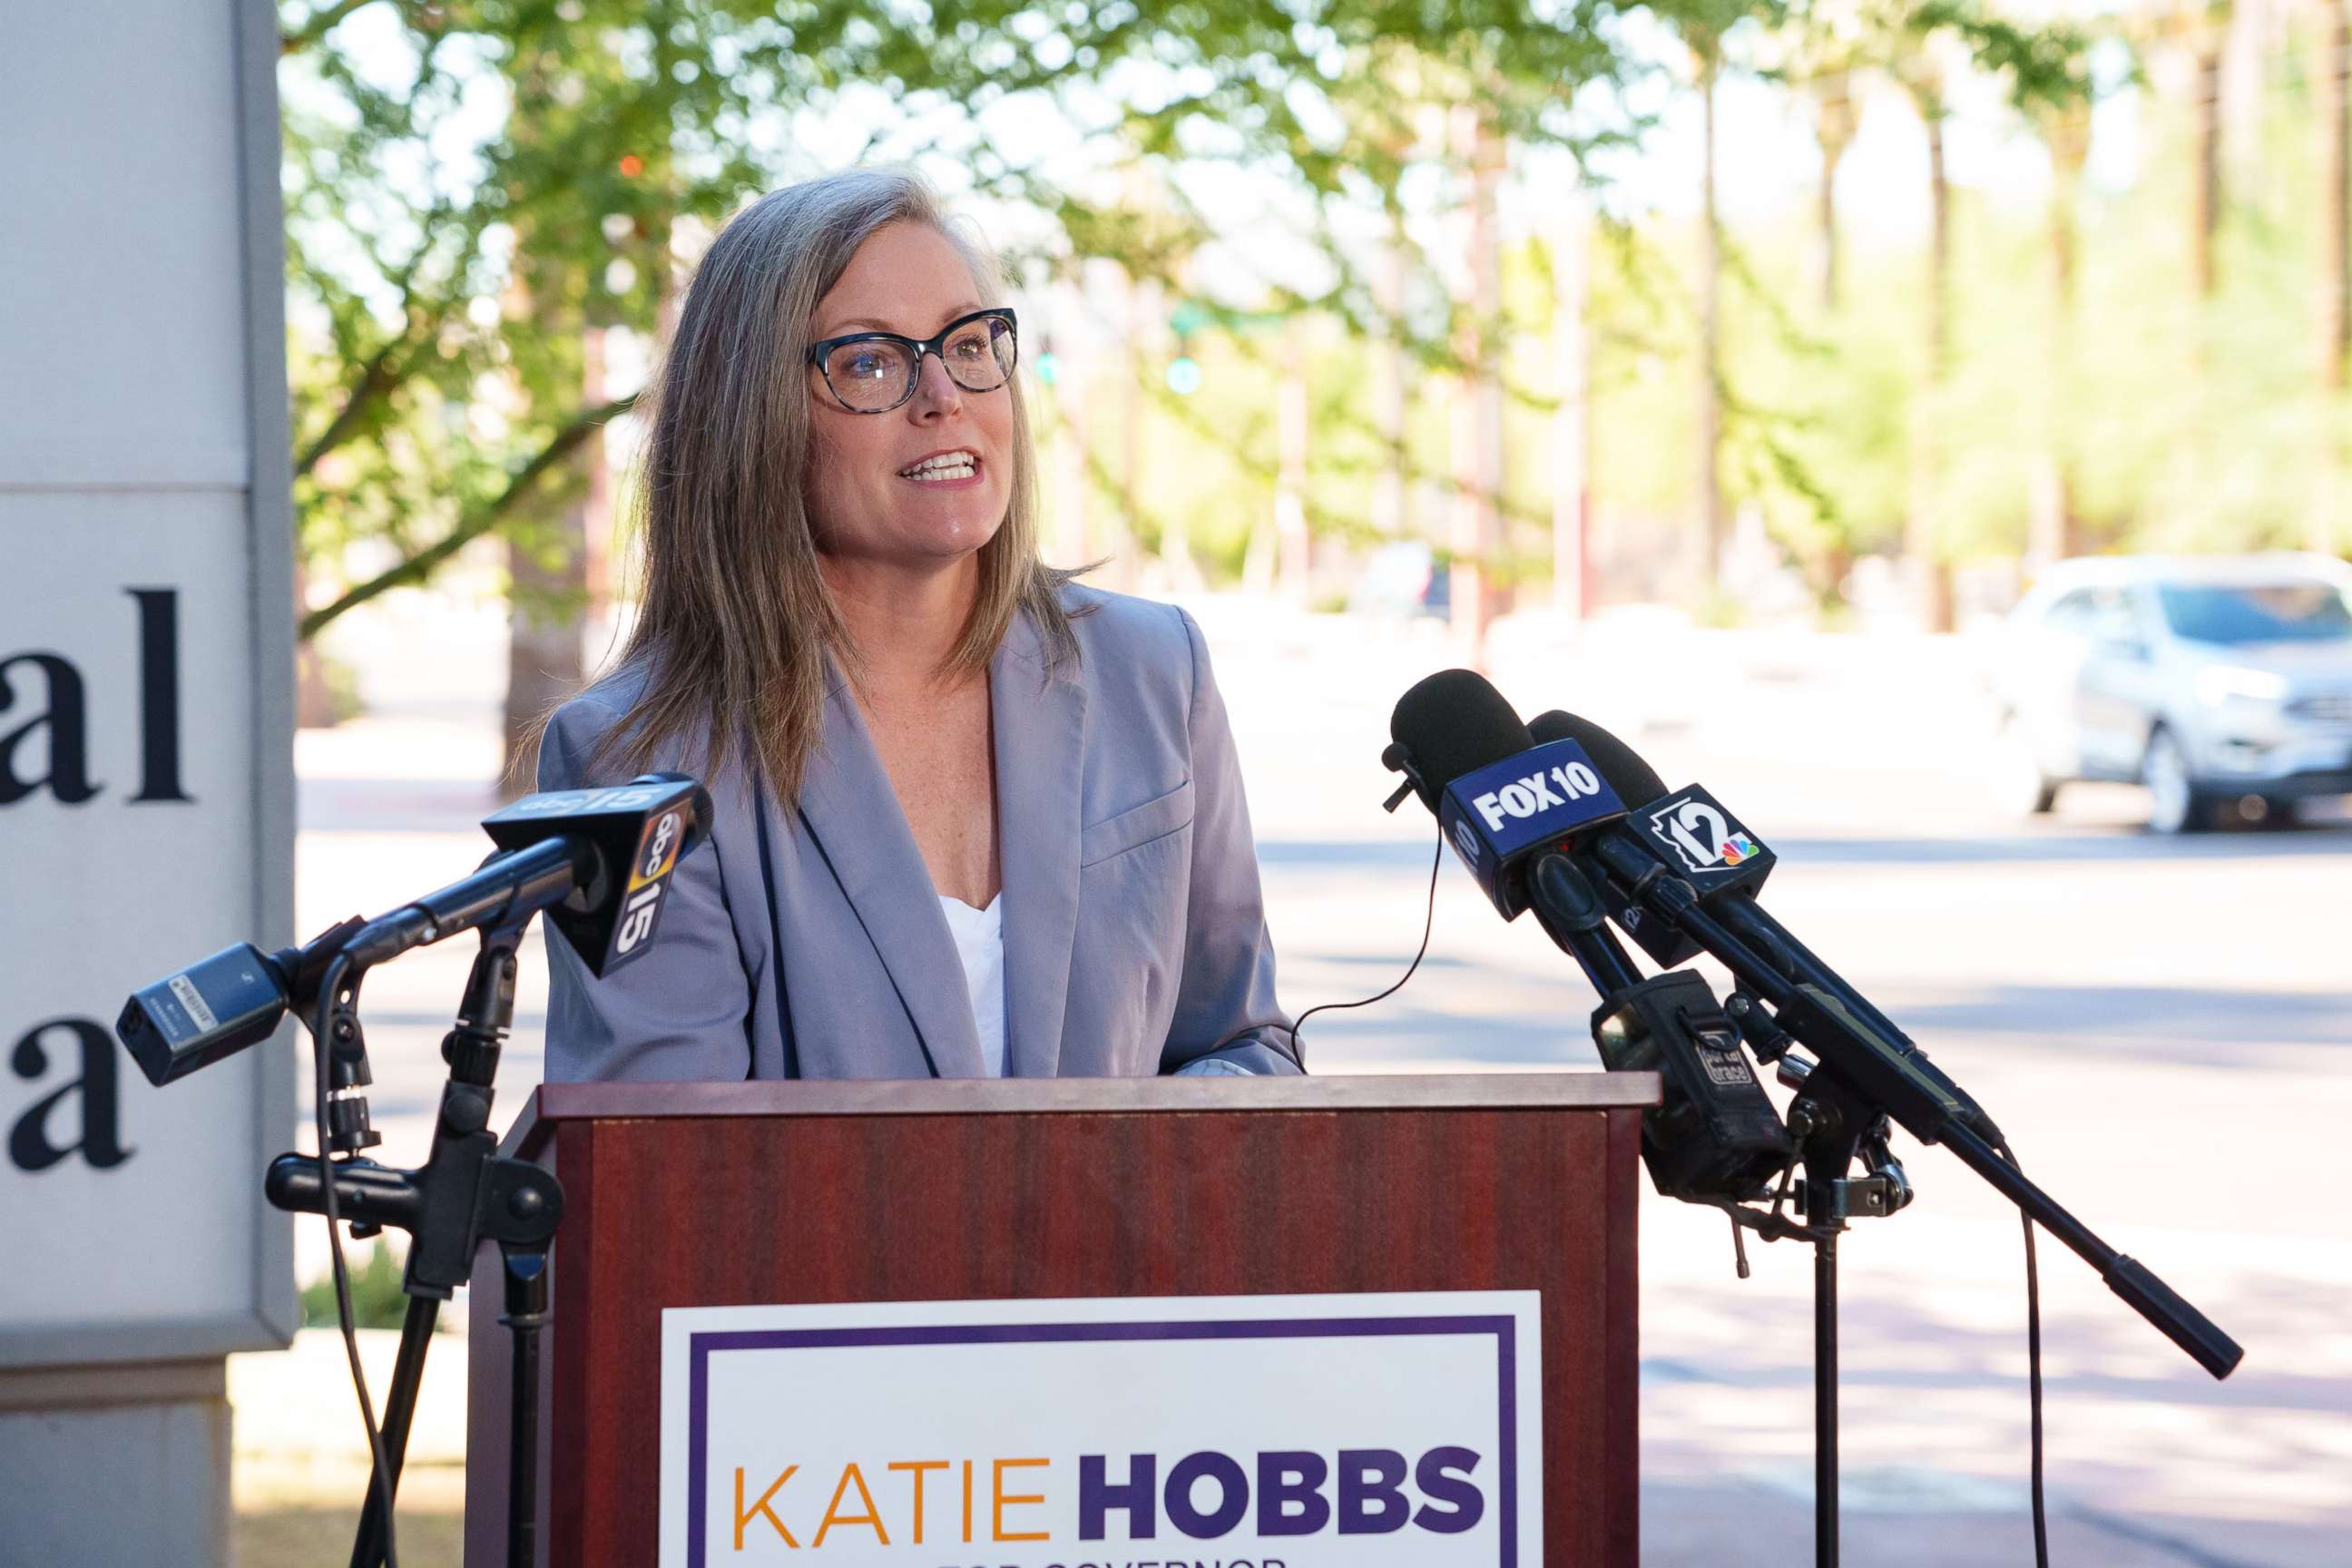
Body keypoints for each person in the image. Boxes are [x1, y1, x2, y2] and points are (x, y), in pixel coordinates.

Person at [534, 169, 1299, 1082]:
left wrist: (1120, 1194)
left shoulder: (1154, 672)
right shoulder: (640, 759)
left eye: (971, 343)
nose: (943, 394)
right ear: (753, 421)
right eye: (869, 361)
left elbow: (1240, 1047)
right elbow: (670, 1171)